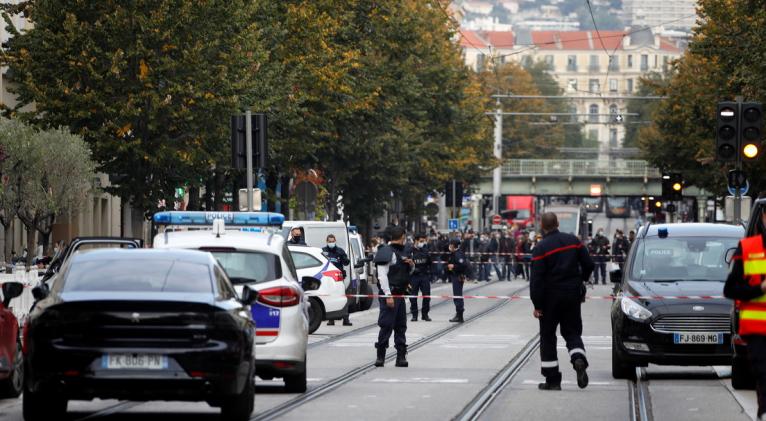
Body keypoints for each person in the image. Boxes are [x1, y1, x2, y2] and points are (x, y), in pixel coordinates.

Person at [531, 212, 594, 391]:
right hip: (572, 295)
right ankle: (578, 359)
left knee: (548, 337)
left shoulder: (541, 248)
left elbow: (536, 280)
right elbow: (589, 264)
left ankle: (553, 380)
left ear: (542, 226)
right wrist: (581, 280)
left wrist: (537, 305)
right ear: (558, 223)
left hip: (550, 298)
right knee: (572, 332)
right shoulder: (573, 241)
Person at [724, 211, 766, 419]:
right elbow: (730, 290)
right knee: (763, 373)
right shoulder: (749, 248)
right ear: (764, 217)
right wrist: (760, 288)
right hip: (758, 330)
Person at [373, 226, 414, 367]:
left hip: (400, 295)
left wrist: (411, 265)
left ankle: (401, 356)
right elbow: (382, 276)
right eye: (405, 238)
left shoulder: (404, 251)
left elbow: (406, 273)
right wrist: (388, 295)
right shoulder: (385, 251)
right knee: (386, 325)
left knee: (401, 325)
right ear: (402, 236)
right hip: (390, 295)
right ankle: (381, 355)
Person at [323, 234, 352, 326]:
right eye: (329, 241)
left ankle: (345, 319)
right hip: (327, 278)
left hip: (338, 278)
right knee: (330, 298)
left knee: (342, 297)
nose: (331, 243)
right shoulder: (323, 251)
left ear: (335, 241)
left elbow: (346, 262)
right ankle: (331, 319)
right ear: (327, 242)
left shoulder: (340, 251)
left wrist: (345, 259)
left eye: (332, 241)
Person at [409, 234, 432, 322]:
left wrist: (430, 274)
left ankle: (425, 314)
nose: (422, 243)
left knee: (426, 296)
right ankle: (414, 315)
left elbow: (430, 263)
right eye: (421, 241)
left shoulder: (425, 250)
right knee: (413, 297)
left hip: (424, 276)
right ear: (416, 241)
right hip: (414, 277)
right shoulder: (410, 251)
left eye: (423, 241)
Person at [446, 238, 469, 323]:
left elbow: (463, 265)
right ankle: (458, 314)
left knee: (457, 296)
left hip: (458, 277)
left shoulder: (458, 254)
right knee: (457, 295)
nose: (449, 246)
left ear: (453, 245)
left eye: (450, 244)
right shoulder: (454, 253)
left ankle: (459, 315)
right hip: (455, 276)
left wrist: (453, 266)